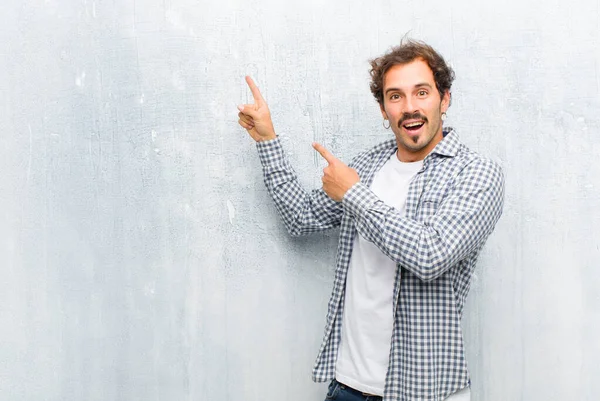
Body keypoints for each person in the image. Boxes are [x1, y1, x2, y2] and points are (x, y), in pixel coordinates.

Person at [237, 39, 504, 401]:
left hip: (425, 392)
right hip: (347, 386)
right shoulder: (366, 167)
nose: (409, 107)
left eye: (421, 92)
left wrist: (353, 193)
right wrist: (267, 139)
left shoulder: (477, 174)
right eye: (395, 96)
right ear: (383, 109)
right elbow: (300, 218)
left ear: (445, 99)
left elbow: (430, 255)